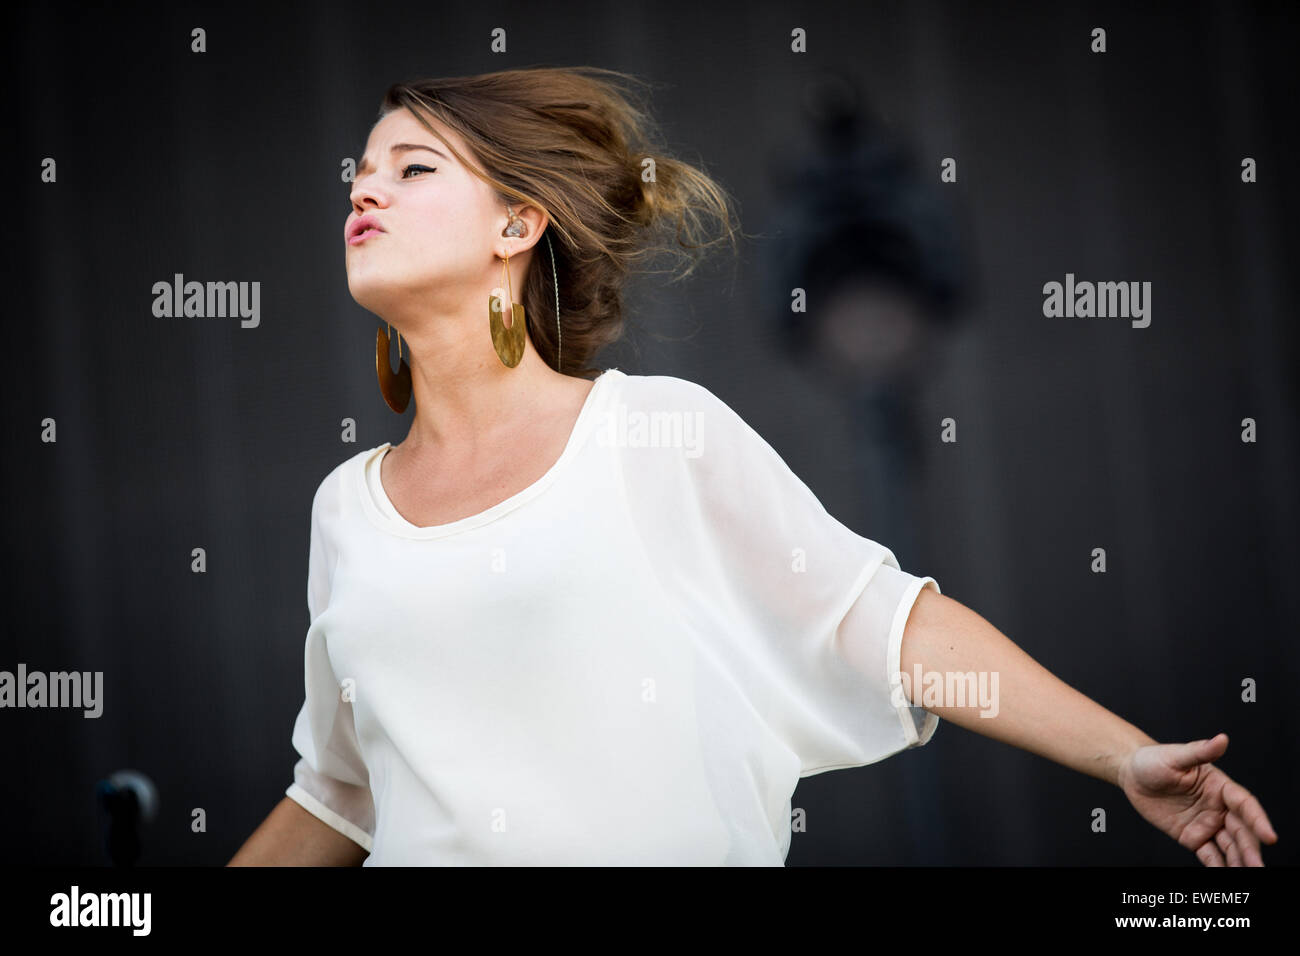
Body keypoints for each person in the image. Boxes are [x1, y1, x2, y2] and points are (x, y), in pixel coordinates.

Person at [228, 67, 1277, 866]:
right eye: (361, 173)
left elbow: (883, 620)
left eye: (412, 168)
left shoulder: (650, 432)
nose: (367, 190)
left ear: (519, 221)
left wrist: (1122, 755)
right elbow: (340, 792)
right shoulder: (346, 509)